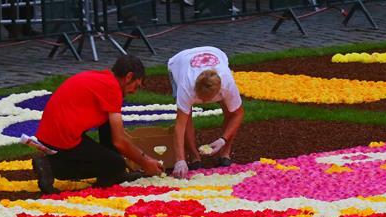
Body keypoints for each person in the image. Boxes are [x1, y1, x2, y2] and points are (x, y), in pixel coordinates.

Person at [32, 55, 163, 194]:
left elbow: (114, 133)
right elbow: (120, 142)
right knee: (116, 163)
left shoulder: (104, 78)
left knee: (109, 125)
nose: (133, 92)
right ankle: (51, 166)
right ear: (129, 77)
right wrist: (146, 162)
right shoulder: (112, 88)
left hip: (52, 133)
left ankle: (112, 174)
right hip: (62, 138)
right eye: (135, 86)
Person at [167, 46, 245, 179]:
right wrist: (180, 160)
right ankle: (194, 157)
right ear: (195, 89)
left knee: (230, 110)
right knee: (186, 116)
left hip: (215, 52)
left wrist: (223, 140)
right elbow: (180, 126)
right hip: (179, 61)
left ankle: (225, 153)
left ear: (218, 91)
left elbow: (238, 114)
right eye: (200, 97)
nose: (202, 102)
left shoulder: (227, 83)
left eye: (206, 99)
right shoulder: (186, 85)